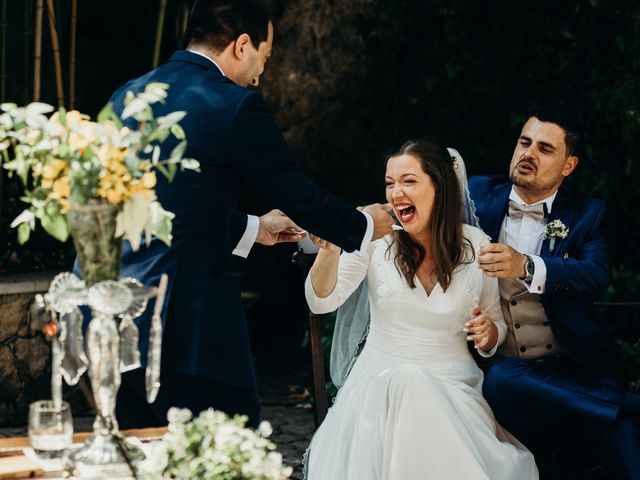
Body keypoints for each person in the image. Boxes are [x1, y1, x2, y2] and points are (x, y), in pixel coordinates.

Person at [107, 0, 393, 429]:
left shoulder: (127, 95)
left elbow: (159, 207)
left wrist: (254, 228)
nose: (261, 74)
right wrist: (368, 225)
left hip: (109, 314)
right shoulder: (234, 105)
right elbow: (300, 196)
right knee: (231, 438)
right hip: (186, 325)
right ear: (243, 45)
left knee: (135, 451)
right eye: (265, 56)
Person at [303, 139, 538, 480]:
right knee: (407, 380)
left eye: (409, 181)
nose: (396, 193)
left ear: (440, 187)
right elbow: (320, 300)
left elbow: (497, 328)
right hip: (376, 385)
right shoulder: (375, 240)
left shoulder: (478, 244)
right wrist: (330, 249)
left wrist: (488, 333)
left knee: (417, 386)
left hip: (454, 389)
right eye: (389, 183)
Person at [470, 108, 640, 479]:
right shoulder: (476, 194)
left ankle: (621, 411)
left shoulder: (589, 214)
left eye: (545, 149)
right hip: (509, 374)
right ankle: (630, 406)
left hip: (578, 368)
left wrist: (527, 266)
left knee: (618, 432)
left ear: (568, 164)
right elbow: (410, 211)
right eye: (524, 142)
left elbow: (595, 275)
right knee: (499, 379)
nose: (528, 153)